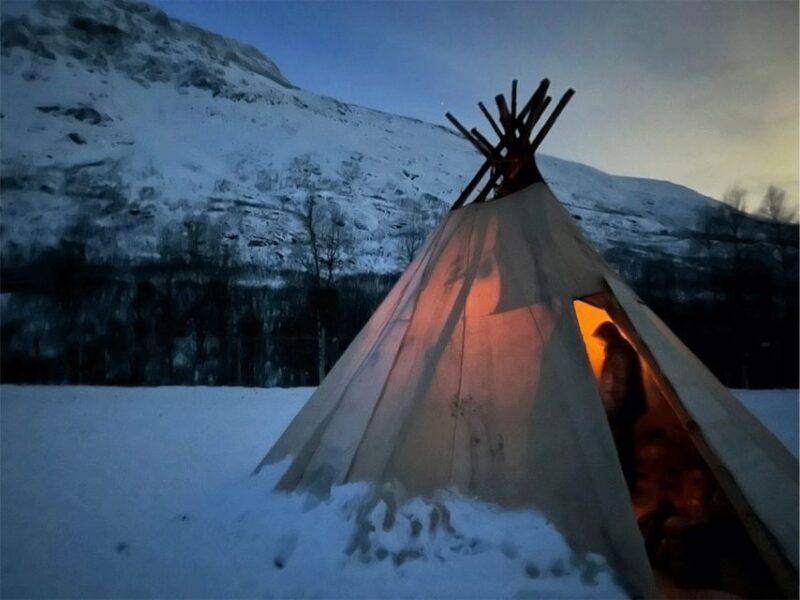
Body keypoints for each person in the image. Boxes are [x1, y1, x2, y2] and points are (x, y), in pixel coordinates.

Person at [593, 321, 646, 491]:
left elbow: (618, 385)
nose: (602, 343)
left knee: (622, 446)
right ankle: (628, 481)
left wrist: (611, 410)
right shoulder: (624, 349)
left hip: (623, 409)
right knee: (625, 445)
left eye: (602, 339)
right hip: (628, 407)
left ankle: (625, 484)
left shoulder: (618, 354)